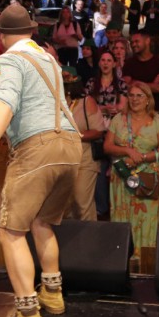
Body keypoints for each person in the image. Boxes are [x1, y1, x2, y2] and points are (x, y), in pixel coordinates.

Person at [0, 3, 81, 317]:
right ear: (31, 31)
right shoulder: (48, 58)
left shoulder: (9, 59)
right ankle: (53, 294)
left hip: (38, 148)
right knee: (43, 223)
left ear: (0, 36)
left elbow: (7, 101)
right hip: (71, 147)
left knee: (10, 231)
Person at [104, 81, 159, 253]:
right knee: (122, 219)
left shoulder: (157, 120)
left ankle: (145, 263)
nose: (134, 99)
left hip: (148, 178)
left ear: (148, 99)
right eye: (131, 95)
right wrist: (127, 151)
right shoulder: (118, 119)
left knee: (148, 220)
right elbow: (107, 146)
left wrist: (142, 158)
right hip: (122, 176)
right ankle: (122, 260)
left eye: (139, 95)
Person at [63, 75, 104, 221]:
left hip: (84, 158)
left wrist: (74, 136)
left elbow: (98, 130)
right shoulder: (56, 103)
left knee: (81, 200)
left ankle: (90, 239)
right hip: (62, 159)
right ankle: (70, 241)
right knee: (64, 204)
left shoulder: (86, 102)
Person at [122, 31, 159, 114]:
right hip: (134, 111)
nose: (133, 44)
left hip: (155, 110)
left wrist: (135, 82)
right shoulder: (129, 63)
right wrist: (152, 84)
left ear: (147, 41)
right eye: (132, 42)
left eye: (137, 41)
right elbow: (126, 86)